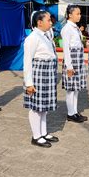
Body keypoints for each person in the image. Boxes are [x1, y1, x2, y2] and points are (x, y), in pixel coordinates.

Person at [23, 11, 59, 148]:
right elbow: (27, 61)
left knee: (43, 107)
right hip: (38, 74)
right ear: (39, 22)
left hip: (47, 73)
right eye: (48, 20)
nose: (51, 22)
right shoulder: (33, 38)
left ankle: (43, 132)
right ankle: (36, 136)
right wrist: (29, 83)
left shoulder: (45, 36)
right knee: (36, 107)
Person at [61, 5, 87, 123]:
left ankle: (75, 111)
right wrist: (69, 66)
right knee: (71, 89)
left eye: (80, 13)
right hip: (72, 60)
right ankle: (70, 113)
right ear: (70, 15)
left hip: (78, 60)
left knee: (76, 88)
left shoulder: (75, 27)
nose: (79, 16)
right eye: (77, 13)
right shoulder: (67, 28)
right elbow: (66, 48)